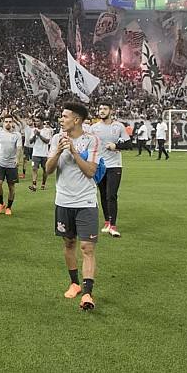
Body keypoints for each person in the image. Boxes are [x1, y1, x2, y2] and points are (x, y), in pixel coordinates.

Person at [46, 102, 101, 311]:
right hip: (63, 201)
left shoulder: (91, 140)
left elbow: (90, 171)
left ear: (76, 120)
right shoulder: (56, 139)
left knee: (87, 247)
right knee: (69, 243)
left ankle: (87, 293)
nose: (61, 119)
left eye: (65, 116)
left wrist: (74, 152)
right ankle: (74, 283)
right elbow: (48, 170)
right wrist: (58, 152)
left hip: (86, 201)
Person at [91, 102, 127, 238]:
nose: (102, 111)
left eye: (105, 109)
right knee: (103, 194)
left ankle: (113, 226)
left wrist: (116, 146)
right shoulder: (94, 128)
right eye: (100, 108)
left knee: (111, 195)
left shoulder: (118, 126)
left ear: (111, 111)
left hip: (115, 165)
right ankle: (107, 222)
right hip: (100, 165)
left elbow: (128, 144)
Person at [0, 116, 23, 215]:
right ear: (3, 123)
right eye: (6, 121)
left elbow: (19, 148)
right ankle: (1, 204)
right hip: (0, 163)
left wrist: (17, 158)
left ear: (13, 123)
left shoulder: (17, 135)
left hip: (11, 164)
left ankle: (9, 207)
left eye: (10, 121)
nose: (8, 123)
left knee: (11, 187)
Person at [28, 117, 52, 191]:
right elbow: (30, 141)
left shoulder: (47, 130)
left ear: (42, 122)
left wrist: (39, 135)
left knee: (45, 170)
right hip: (35, 153)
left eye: (38, 121)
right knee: (34, 168)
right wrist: (35, 135)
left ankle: (43, 184)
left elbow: (47, 141)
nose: (36, 123)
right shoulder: (33, 130)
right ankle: (34, 185)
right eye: (35, 121)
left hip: (44, 153)